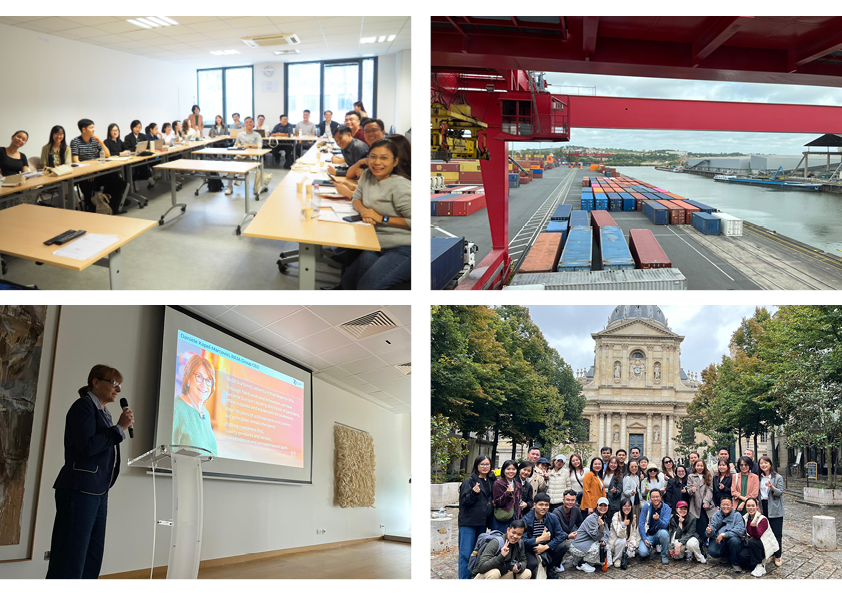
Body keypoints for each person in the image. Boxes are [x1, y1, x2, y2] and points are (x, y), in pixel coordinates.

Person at [46, 365, 134, 578]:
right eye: (114, 384)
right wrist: (119, 428)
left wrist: (117, 429)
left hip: (98, 491)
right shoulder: (83, 407)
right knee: (70, 556)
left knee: (92, 556)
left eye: (119, 385)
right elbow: (87, 447)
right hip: (80, 489)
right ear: (96, 382)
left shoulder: (104, 413)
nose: (118, 390)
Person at [333, 139, 411, 290]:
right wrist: (364, 211)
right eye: (373, 157)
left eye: (384, 158)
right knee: (347, 282)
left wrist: (382, 219)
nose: (377, 162)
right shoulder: (367, 175)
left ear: (395, 162)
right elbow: (356, 198)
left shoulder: (400, 185)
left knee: (366, 287)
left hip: (404, 247)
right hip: (376, 243)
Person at [172, 355, 218, 456]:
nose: (204, 385)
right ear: (188, 379)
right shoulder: (176, 408)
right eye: (199, 377)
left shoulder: (205, 413)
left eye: (208, 380)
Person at [457, 455, 494, 579]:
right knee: (465, 553)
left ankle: (473, 577)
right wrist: (473, 493)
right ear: (476, 466)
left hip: (482, 522)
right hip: (468, 522)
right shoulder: (469, 481)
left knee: (477, 552)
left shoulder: (490, 481)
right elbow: (463, 502)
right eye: (482, 464)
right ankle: (464, 579)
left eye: (487, 464)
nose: (485, 467)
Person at [71, 119, 119, 213]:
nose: (94, 130)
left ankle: (109, 203)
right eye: (91, 127)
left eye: (93, 127)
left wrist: (100, 142)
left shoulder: (94, 141)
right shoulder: (75, 142)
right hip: (85, 173)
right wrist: (89, 172)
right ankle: (91, 205)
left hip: (97, 171)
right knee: (89, 183)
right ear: (84, 129)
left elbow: (107, 155)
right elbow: (76, 161)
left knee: (115, 176)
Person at [521, 493, 567, 579]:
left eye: (546, 505)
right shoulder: (526, 520)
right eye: (541, 504)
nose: (544, 507)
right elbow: (522, 541)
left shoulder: (552, 517)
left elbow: (560, 535)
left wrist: (546, 546)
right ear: (534, 505)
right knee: (532, 564)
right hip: (532, 548)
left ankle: (548, 569)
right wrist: (539, 539)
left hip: (546, 546)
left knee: (563, 547)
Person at [562, 497, 610, 573]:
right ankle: (581, 563)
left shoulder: (604, 517)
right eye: (601, 505)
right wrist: (601, 527)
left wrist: (604, 540)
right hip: (578, 545)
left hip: (588, 543)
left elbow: (607, 533)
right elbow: (596, 536)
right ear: (597, 506)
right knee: (598, 549)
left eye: (605, 506)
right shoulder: (592, 518)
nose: (603, 508)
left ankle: (578, 560)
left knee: (607, 556)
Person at [739, 497, 778, 577]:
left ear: (757, 506)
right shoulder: (746, 518)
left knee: (753, 541)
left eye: (753, 506)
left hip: (764, 544)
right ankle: (756, 563)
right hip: (753, 545)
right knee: (742, 556)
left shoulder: (762, 519)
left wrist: (753, 527)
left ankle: (760, 565)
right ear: (746, 507)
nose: (750, 508)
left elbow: (757, 535)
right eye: (748, 506)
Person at [706, 495, 745, 572]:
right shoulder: (716, 515)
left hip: (732, 539)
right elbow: (713, 528)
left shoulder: (737, 515)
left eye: (728, 504)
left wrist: (725, 534)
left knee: (734, 541)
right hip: (720, 540)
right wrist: (709, 531)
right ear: (720, 506)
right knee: (712, 551)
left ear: (732, 505)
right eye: (723, 504)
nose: (725, 507)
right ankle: (725, 555)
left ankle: (735, 563)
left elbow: (740, 530)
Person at [757, 455, 783, 566]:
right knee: (766, 532)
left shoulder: (777, 477)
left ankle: (778, 556)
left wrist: (771, 487)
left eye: (766, 463)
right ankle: (770, 553)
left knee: (776, 533)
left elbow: (780, 492)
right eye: (761, 463)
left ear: (770, 464)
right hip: (763, 506)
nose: (763, 465)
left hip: (774, 507)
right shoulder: (759, 477)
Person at [637, 488, 671, 565]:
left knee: (664, 534)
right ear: (650, 498)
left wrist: (658, 520)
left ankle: (664, 555)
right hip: (649, 534)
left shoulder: (666, 508)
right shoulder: (646, 507)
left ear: (660, 497)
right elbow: (641, 524)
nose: (655, 499)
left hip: (660, 534)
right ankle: (649, 548)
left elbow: (665, 525)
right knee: (643, 553)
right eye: (653, 497)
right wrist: (644, 538)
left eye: (657, 497)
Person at [688, 459, 714, 552]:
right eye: (698, 466)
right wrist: (692, 490)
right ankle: (696, 545)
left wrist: (706, 501)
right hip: (695, 505)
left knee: (704, 525)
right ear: (695, 466)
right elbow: (689, 489)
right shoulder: (691, 476)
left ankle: (703, 543)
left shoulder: (707, 476)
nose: (699, 468)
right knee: (696, 526)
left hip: (705, 506)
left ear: (704, 467)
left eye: (701, 466)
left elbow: (710, 490)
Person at [552, 489, 583, 566]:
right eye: (568, 500)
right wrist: (568, 536)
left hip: (569, 535)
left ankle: (579, 563)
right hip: (558, 537)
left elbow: (580, 524)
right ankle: (557, 563)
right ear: (563, 500)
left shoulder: (576, 510)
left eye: (572, 500)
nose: (570, 502)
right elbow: (556, 531)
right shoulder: (556, 513)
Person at [608, 498, 640, 568]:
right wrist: (624, 525)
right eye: (625, 506)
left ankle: (622, 555)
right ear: (621, 507)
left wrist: (632, 543)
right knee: (622, 541)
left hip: (627, 541)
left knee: (631, 553)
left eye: (629, 506)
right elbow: (620, 535)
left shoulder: (633, 517)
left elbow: (633, 533)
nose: (627, 508)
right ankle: (617, 558)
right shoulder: (616, 516)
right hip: (617, 541)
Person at [492, 460, 522, 532]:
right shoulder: (498, 484)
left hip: (515, 517)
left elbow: (519, 501)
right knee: (501, 539)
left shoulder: (518, 485)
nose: (511, 471)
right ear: (504, 470)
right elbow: (497, 502)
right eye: (508, 469)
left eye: (513, 469)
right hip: (502, 516)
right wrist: (507, 494)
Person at [123, 120, 153, 189]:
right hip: (133, 157)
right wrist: (135, 147)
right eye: (136, 127)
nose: (137, 129)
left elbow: (148, 146)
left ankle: (147, 178)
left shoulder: (143, 136)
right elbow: (127, 148)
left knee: (144, 164)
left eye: (139, 128)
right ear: (132, 128)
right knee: (135, 167)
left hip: (142, 156)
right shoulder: (128, 137)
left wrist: (143, 147)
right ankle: (135, 181)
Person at [603, 456, 623, 523]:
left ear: (618, 465)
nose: (613, 465)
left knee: (612, 522)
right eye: (611, 463)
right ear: (608, 464)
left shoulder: (619, 476)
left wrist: (615, 491)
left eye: (615, 463)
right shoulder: (604, 474)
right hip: (603, 500)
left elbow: (620, 490)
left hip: (613, 503)